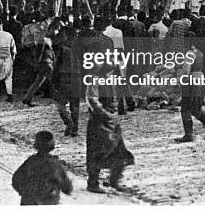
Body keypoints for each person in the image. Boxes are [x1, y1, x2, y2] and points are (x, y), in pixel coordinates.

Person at [84, 51, 134, 193]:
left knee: (120, 152)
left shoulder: (111, 78)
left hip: (111, 122)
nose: (114, 65)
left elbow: (118, 97)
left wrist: (119, 111)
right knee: (98, 153)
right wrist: (105, 115)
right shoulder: (94, 79)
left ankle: (114, 180)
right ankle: (92, 183)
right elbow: (92, 100)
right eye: (111, 62)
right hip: (99, 122)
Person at [174, 34, 205, 142]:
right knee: (196, 109)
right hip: (200, 79)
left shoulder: (189, 53)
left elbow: (186, 70)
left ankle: (188, 134)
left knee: (185, 108)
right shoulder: (200, 52)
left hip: (191, 81)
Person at [12, 130, 73, 205]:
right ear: (52, 146)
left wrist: (24, 192)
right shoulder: (55, 164)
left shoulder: (30, 161)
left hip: (28, 201)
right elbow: (67, 186)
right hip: (48, 202)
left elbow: (16, 179)